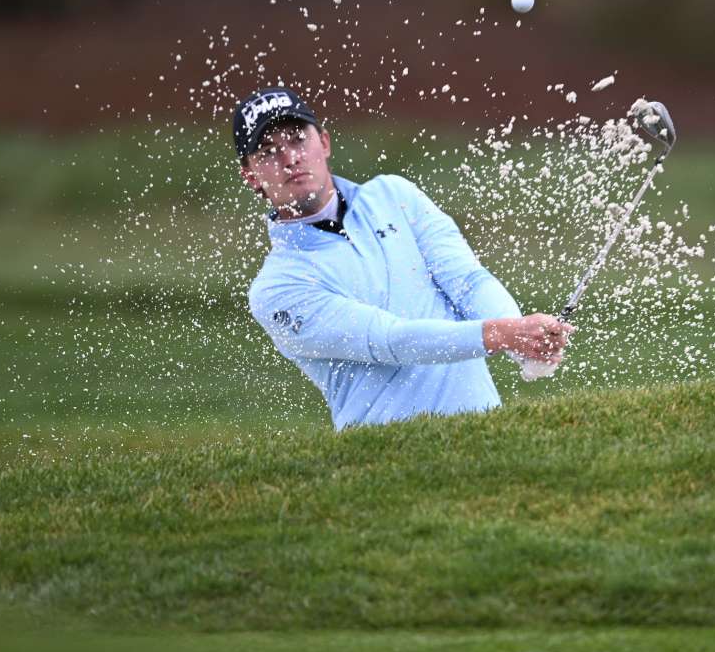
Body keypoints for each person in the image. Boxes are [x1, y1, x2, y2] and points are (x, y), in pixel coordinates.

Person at [235, 87, 572, 429]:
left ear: (323, 142)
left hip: (487, 432)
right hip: (386, 458)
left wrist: (524, 342)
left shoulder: (393, 196)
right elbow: (389, 340)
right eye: (267, 152)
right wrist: (503, 334)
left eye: (297, 140)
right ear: (250, 176)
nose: (290, 158)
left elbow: (467, 281)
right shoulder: (277, 287)